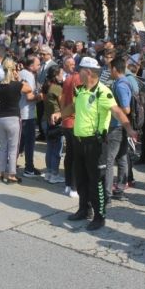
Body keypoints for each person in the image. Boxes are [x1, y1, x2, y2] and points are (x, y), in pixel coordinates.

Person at [65, 57, 137, 231]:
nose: (77, 73)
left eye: (80, 70)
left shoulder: (103, 92)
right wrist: (60, 115)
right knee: (81, 178)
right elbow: (73, 108)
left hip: (96, 144)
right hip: (79, 141)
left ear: (88, 72)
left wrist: (129, 129)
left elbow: (118, 111)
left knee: (96, 181)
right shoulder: (80, 89)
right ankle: (84, 209)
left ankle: (99, 216)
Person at [0, 59, 33, 183]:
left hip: (1, 117)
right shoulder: (17, 84)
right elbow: (29, 89)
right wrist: (18, 78)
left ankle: (0, 173)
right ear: (14, 70)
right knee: (13, 147)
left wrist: (2, 108)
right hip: (14, 117)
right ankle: (11, 174)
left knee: (3, 146)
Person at [105, 57, 132, 200]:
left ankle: (107, 193)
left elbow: (126, 109)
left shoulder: (120, 85)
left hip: (116, 127)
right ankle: (119, 190)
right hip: (121, 127)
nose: (109, 71)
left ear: (115, 69)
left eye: (110, 68)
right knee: (122, 159)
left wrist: (112, 110)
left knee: (109, 161)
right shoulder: (125, 82)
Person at [59, 57, 82, 197]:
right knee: (76, 157)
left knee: (69, 155)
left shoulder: (68, 79)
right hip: (74, 122)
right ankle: (74, 187)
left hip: (67, 121)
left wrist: (63, 115)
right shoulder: (78, 79)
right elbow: (77, 102)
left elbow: (62, 100)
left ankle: (68, 185)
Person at [19, 55, 44, 178]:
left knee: (21, 142)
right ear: (30, 66)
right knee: (29, 143)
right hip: (27, 114)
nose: (39, 66)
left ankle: (10, 163)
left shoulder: (21, 73)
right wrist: (40, 96)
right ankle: (29, 168)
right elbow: (29, 97)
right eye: (38, 64)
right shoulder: (28, 75)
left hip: (21, 112)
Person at [41, 65, 65, 184]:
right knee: (57, 149)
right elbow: (63, 105)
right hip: (55, 121)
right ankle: (54, 174)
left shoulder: (46, 86)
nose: (63, 76)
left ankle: (49, 173)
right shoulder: (56, 88)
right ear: (56, 75)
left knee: (50, 148)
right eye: (61, 73)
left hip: (46, 118)